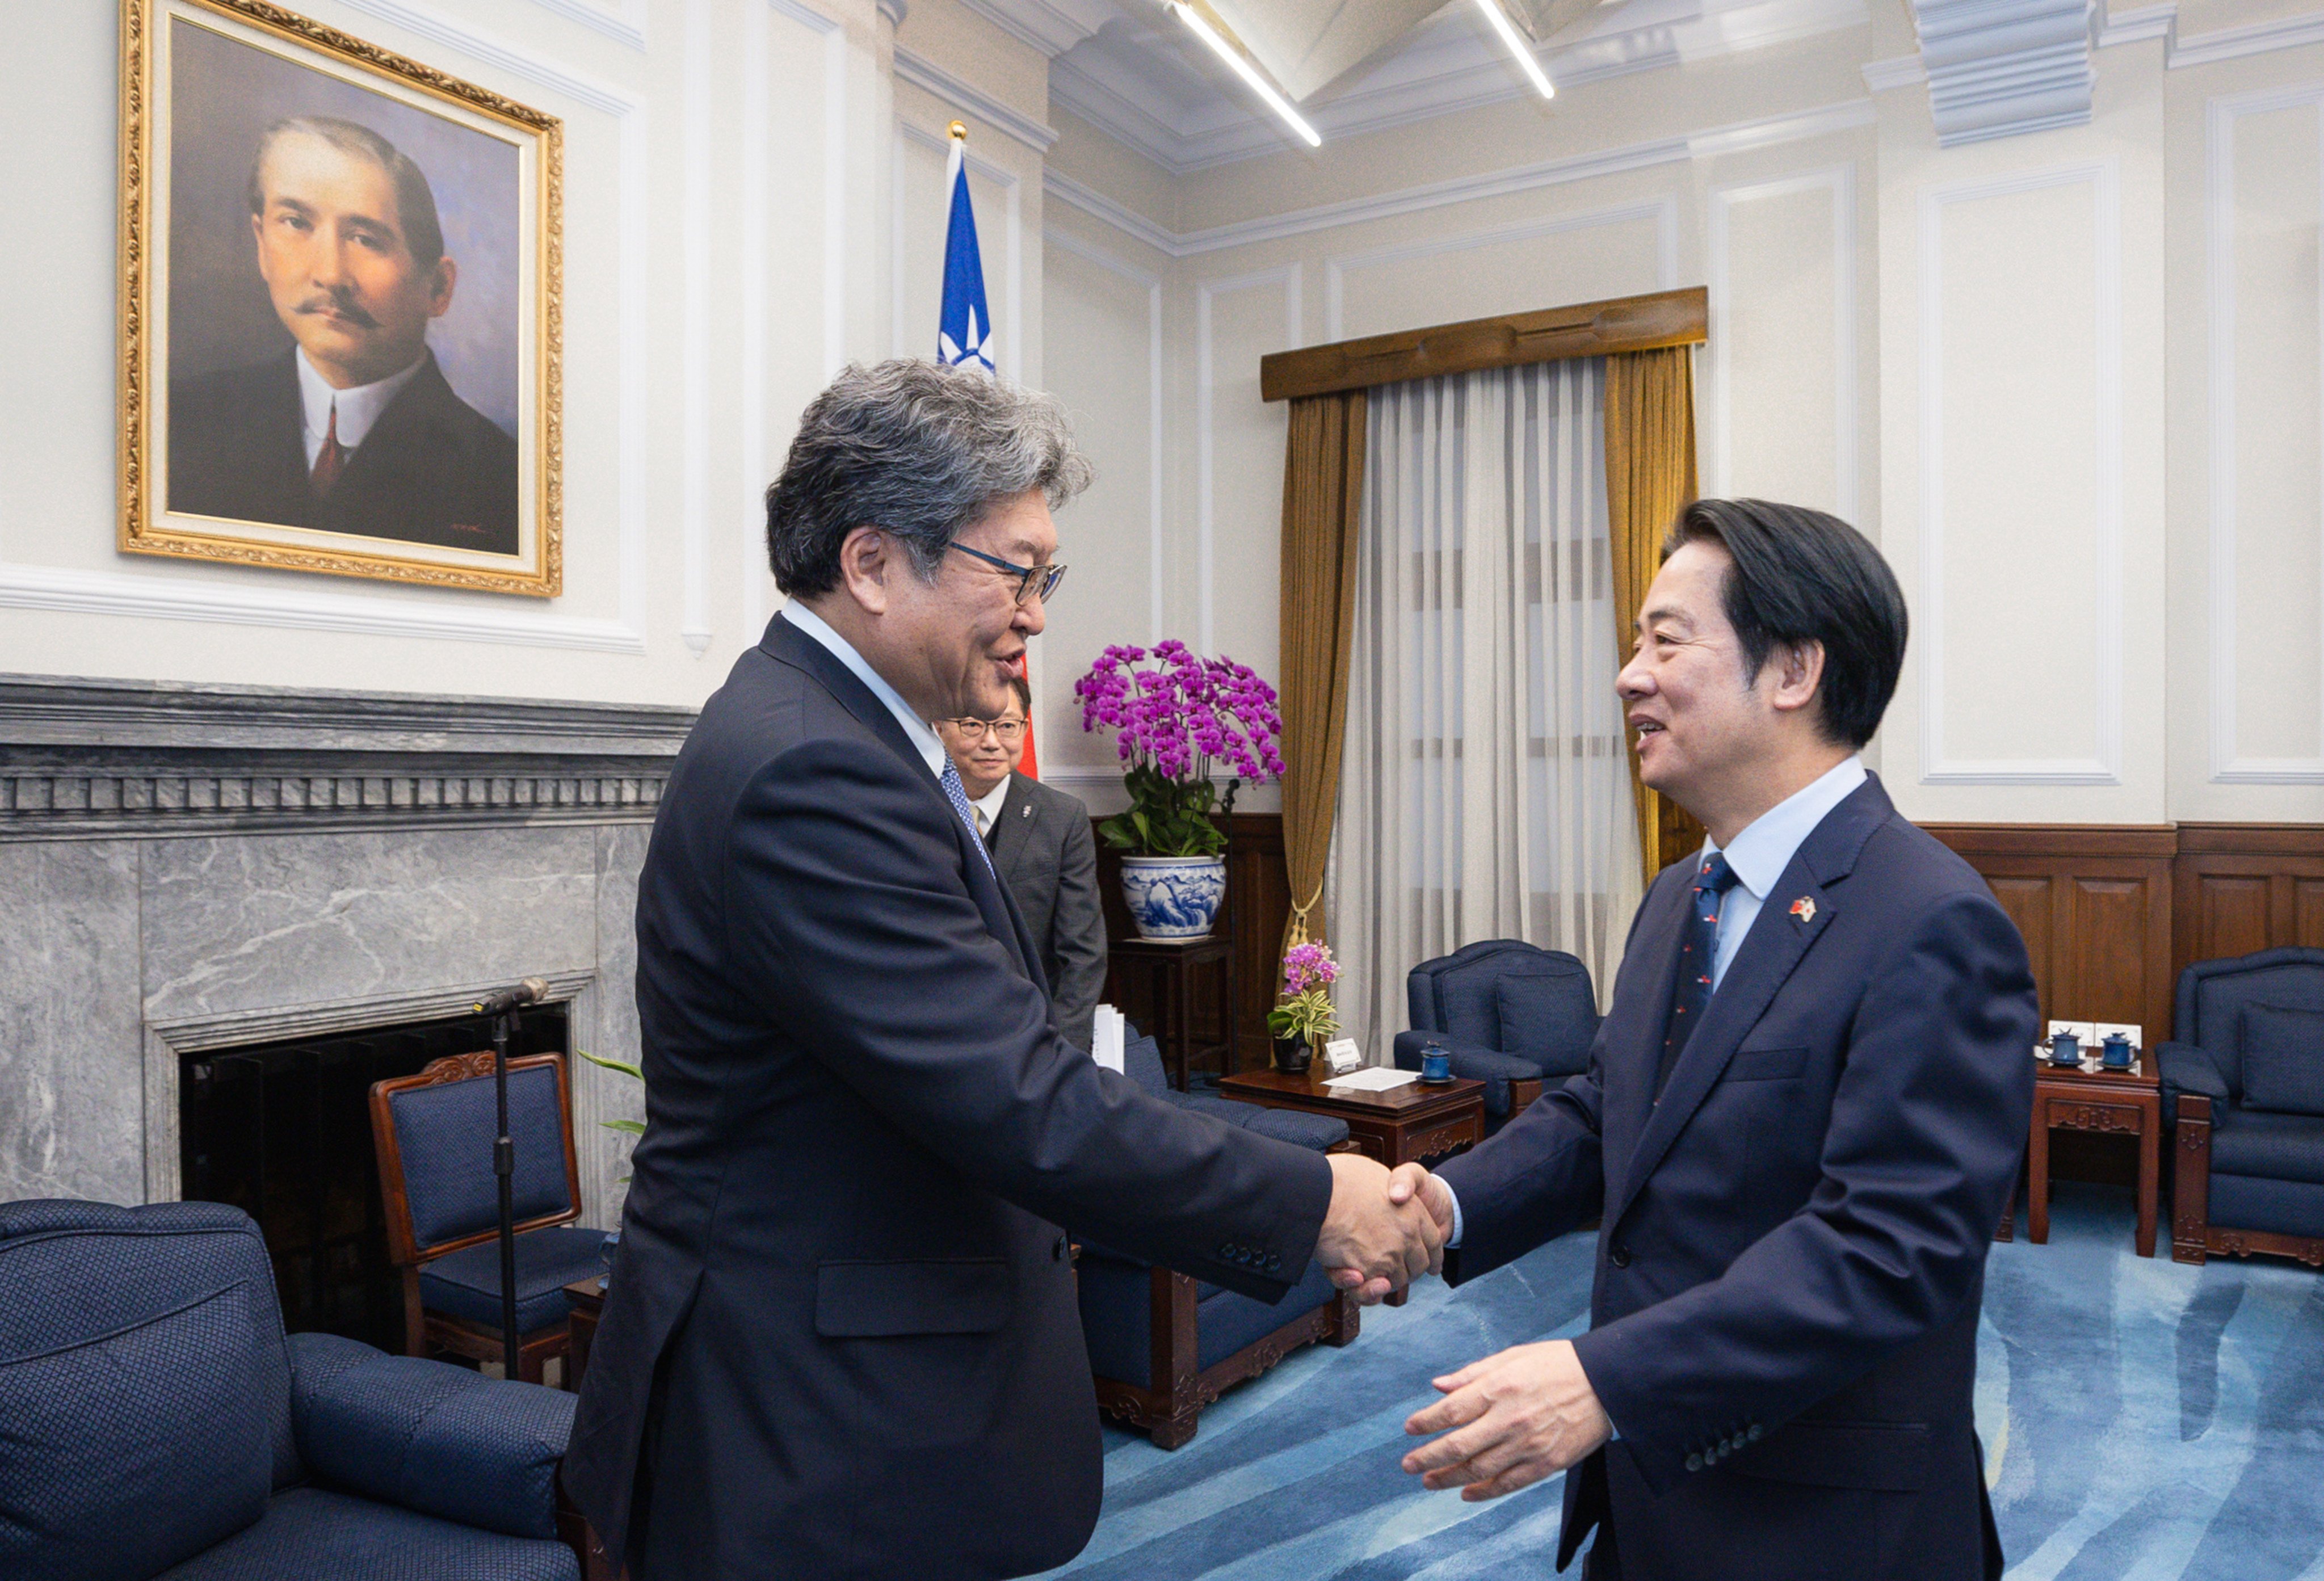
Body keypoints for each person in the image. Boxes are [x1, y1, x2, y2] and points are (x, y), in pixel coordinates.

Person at [561, 360, 1442, 1581]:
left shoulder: (841, 733)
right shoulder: (811, 770)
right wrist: (1315, 1198)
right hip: (808, 1431)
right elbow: (1019, 1098)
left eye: (1047, 575)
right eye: (1014, 568)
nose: (1037, 611)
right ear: (872, 563)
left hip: (853, 1405)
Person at [1387, 498, 2039, 1581]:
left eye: (1665, 639)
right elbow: (1610, 1117)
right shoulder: (1675, 898)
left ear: (1792, 671)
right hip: (1652, 1498)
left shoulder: (1931, 919)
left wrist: (1609, 1380)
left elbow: (1888, 1250)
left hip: (1819, 1527)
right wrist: (1445, 1203)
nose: (1628, 675)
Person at [167, 116, 519, 552]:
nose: (331, 275)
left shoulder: (501, 476)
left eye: (366, 239)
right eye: (296, 223)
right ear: (260, 243)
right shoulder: (179, 419)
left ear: (438, 288)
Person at [938, 674, 1108, 1052]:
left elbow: (1082, 954)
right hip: (940, 1028)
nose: (992, 742)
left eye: (1007, 726)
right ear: (940, 728)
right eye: (972, 725)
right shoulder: (917, 809)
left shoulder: (1062, 817)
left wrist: (1064, 1054)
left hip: (1033, 1030)